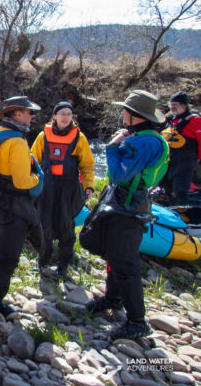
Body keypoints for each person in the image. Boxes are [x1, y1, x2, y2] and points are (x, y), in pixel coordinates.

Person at [81, 90, 168, 340]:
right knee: (114, 255)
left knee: (126, 263)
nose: (122, 113)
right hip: (128, 204)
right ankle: (113, 299)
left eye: (125, 110)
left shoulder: (143, 142)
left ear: (133, 115)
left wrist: (111, 147)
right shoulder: (147, 137)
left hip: (128, 208)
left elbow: (118, 175)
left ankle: (137, 321)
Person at [0, 96, 44, 316]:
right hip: (13, 204)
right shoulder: (17, 142)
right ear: (16, 114)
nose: (32, 116)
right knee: (8, 256)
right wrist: (39, 177)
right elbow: (22, 182)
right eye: (29, 112)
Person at [31, 101, 95, 278]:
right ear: (54, 116)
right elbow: (32, 161)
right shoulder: (43, 136)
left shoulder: (79, 138)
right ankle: (43, 261)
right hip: (47, 187)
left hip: (68, 187)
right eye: (62, 114)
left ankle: (63, 264)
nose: (66, 117)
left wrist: (89, 186)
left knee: (66, 224)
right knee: (44, 223)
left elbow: (87, 165)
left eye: (69, 114)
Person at [160, 91, 201, 205]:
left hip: (187, 162)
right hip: (170, 161)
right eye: (171, 105)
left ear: (184, 105)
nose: (172, 108)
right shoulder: (170, 121)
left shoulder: (195, 120)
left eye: (175, 105)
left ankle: (182, 217)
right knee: (165, 189)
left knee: (179, 191)